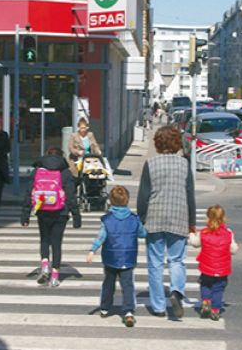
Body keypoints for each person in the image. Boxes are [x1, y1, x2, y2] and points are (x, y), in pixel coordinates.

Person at [136, 126, 196, 318]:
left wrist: (142, 217)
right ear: (177, 142)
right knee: (176, 260)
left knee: (155, 264)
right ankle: (176, 292)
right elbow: (190, 195)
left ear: (158, 143)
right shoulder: (184, 164)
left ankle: (158, 307)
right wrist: (191, 222)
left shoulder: (150, 164)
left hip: (154, 217)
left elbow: (143, 195)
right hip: (178, 216)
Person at [86, 186, 147, 328]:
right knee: (127, 285)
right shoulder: (134, 219)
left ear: (110, 201)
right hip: (128, 256)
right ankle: (128, 311)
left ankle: (105, 308)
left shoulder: (107, 220)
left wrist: (92, 250)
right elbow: (143, 233)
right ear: (127, 200)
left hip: (110, 256)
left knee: (108, 283)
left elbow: (101, 236)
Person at [21, 147, 81, 287]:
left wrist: (25, 215)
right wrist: (76, 215)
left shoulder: (38, 171)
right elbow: (71, 196)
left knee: (44, 239)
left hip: (42, 210)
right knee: (56, 243)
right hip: (61, 212)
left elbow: (29, 192)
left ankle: (45, 265)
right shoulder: (65, 172)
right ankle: (55, 276)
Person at [188, 205, 239, 321]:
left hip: (207, 267)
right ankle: (215, 310)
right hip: (222, 269)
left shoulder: (204, 233)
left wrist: (191, 233)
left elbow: (195, 243)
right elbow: (233, 249)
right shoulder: (228, 233)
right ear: (224, 218)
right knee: (218, 289)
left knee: (205, 284)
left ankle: (206, 301)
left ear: (208, 219)